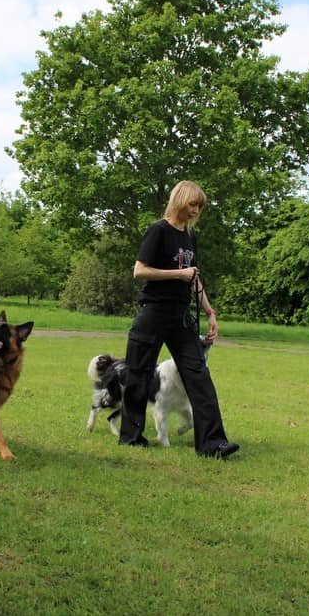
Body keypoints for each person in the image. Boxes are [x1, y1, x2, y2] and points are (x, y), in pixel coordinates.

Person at [118, 180, 239, 458]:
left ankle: (213, 444)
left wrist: (209, 311)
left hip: (181, 316)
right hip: (153, 311)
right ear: (179, 201)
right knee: (138, 374)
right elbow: (140, 271)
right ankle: (131, 437)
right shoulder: (158, 231)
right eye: (192, 204)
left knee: (199, 376)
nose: (196, 210)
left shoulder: (190, 237)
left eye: (200, 206)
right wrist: (176, 274)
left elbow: (194, 278)